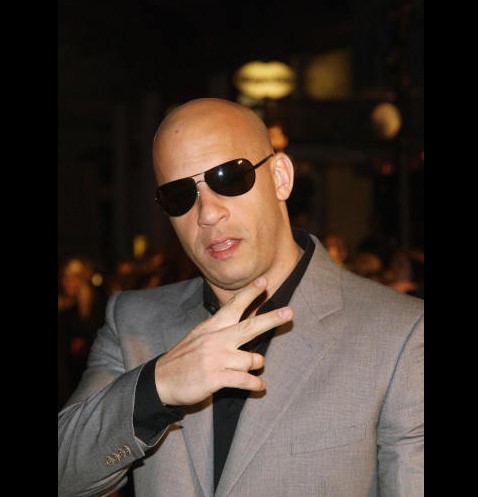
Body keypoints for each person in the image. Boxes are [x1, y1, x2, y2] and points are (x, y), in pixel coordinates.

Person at [58, 98, 424, 497]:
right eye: (179, 195)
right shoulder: (132, 321)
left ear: (281, 177)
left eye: (229, 177)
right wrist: (157, 388)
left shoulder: (400, 335)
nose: (207, 213)